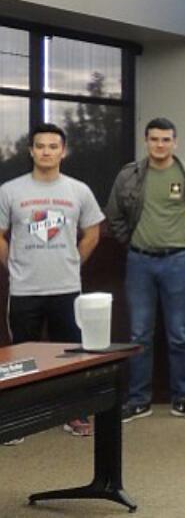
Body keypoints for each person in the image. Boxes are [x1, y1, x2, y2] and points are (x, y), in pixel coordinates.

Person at [0, 122, 105, 438]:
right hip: (24, 289)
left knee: (70, 355)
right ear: (31, 151)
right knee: (20, 358)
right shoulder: (10, 191)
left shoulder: (78, 190)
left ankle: (73, 414)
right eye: (40, 146)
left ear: (63, 151)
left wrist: (73, 262)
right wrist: (15, 265)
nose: (46, 151)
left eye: (53, 146)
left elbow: (93, 233)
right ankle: (17, 419)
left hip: (66, 288)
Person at [105, 117, 185, 424]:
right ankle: (138, 400)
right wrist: (133, 241)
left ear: (175, 142)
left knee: (179, 334)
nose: (160, 145)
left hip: (178, 261)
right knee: (139, 333)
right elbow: (114, 216)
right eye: (154, 139)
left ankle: (183, 398)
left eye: (166, 140)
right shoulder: (130, 176)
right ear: (146, 142)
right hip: (140, 262)